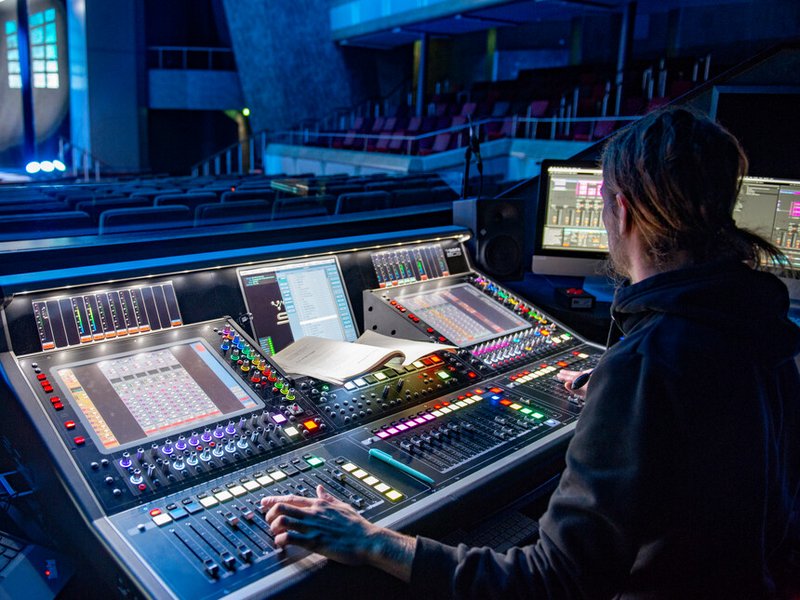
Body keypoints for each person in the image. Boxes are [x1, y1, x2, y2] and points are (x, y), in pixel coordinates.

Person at [261, 107, 800, 598]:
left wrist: (374, 540)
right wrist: (627, 409)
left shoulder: (647, 366)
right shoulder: (760, 324)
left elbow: (552, 582)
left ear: (622, 211)